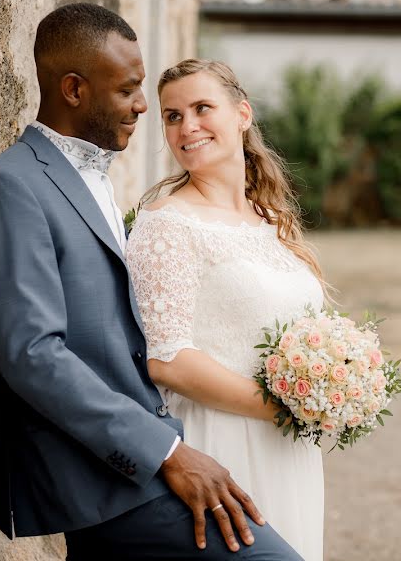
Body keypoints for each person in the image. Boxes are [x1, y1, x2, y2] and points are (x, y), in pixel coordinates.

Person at [0, 4, 303, 560]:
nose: (144, 106)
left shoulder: (93, 176)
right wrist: (168, 451)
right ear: (74, 90)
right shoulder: (12, 185)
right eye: (128, 90)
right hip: (105, 475)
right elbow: (31, 354)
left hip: (138, 460)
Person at [126, 59, 326, 561]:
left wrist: (332, 384)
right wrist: (284, 408)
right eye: (172, 116)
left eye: (201, 108)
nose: (187, 126)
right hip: (223, 441)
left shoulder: (269, 219)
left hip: (289, 446)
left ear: (242, 114)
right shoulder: (167, 225)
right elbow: (166, 358)